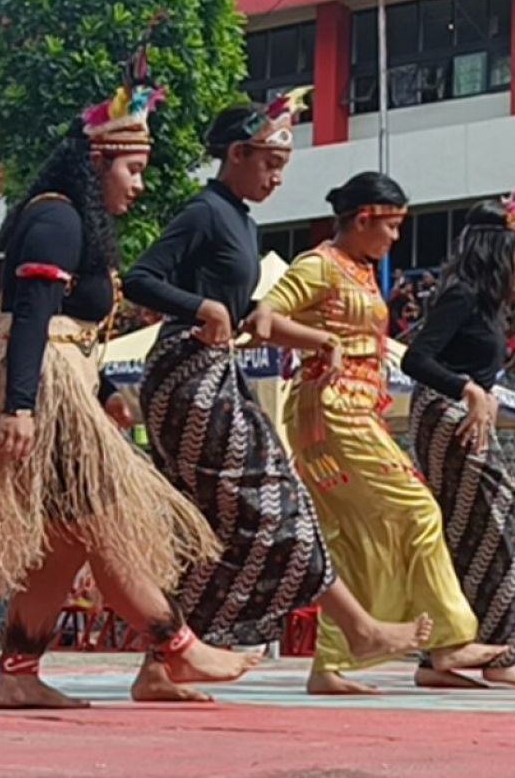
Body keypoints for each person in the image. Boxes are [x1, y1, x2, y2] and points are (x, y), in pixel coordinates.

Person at [0, 64, 258, 709]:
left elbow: (68, 335)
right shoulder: (57, 221)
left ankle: (17, 672)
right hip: (41, 393)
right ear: (98, 162)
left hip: (62, 391)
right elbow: (33, 318)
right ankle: (177, 647)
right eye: (133, 171)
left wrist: (98, 397)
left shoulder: (71, 225)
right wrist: (21, 408)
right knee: (110, 520)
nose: (140, 186)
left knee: (66, 540)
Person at [127, 100, 432, 701]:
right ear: (236, 155)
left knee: (245, 515)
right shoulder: (204, 212)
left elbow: (247, 318)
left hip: (218, 374)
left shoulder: (240, 220)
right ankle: (358, 627)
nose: (277, 178)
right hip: (186, 377)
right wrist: (199, 306)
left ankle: (163, 664)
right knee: (264, 506)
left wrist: (319, 338)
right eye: (268, 163)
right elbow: (140, 278)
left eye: (282, 165)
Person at [248, 170, 505, 690]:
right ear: (364, 218)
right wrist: (320, 340)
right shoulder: (319, 266)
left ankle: (332, 665)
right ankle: (451, 639)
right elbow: (264, 317)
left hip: (357, 410)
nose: (394, 239)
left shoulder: (359, 271)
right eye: (390, 227)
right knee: (417, 509)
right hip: (333, 411)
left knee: (352, 537)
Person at [400, 182, 515, 686]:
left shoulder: (486, 301)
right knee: (504, 527)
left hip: (468, 416)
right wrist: (468, 388)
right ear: (496, 246)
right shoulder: (462, 293)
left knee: (475, 534)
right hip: (449, 416)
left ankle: (446, 656)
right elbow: (415, 358)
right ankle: (500, 654)